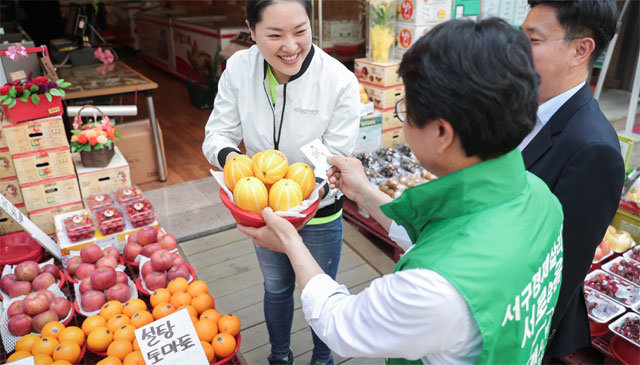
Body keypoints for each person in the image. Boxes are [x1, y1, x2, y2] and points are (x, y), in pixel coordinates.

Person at [239, 18, 565, 364]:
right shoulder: (541, 197)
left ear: (442, 132)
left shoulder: (433, 289)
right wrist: (364, 192)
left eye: (406, 109)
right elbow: (440, 238)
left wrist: (291, 242)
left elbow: (341, 325)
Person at [201, 0, 360, 363]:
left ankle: (323, 358)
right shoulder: (240, 68)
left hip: (319, 213)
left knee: (322, 291)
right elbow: (217, 134)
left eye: (300, 31)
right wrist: (235, 162)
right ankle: (279, 356)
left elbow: (336, 156)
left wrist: (306, 195)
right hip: (262, 211)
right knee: (276, 289)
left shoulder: (337, 80)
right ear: (251, 30)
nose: (290, 47)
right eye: (274, 35)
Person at [519, 1, 625, 358]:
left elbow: (559, 269)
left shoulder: (593, 148)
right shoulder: (523, 108)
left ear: (580, 50)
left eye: (532, 41)